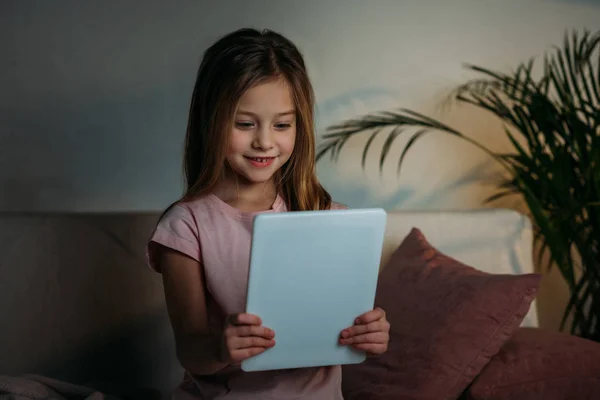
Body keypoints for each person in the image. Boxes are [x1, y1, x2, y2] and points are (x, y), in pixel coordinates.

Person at [146, 28, 390, 399]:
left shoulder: (328, 216)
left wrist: (369, 333)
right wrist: (219, 349)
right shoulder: (186, 225)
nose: (264, 141)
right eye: (244, 124)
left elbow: (345, 331)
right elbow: (190, 349)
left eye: (282, 125)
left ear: (300, 126)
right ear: (211, 122)